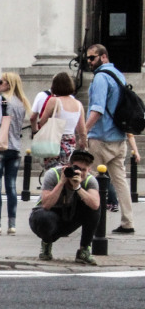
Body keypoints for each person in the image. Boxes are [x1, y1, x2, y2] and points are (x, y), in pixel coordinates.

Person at [84, 43, 134, 234]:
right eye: (87, 58)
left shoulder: (100, 78)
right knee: (120, 181)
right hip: (119, 137)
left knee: (89, 179)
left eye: (92, 58)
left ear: (103, 57)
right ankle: (128, 221)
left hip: (101, 138)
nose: (89, 62)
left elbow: (97, 108)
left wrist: (84, 132)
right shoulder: (119, 76)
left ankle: (90, 220)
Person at [29, 148, 100, 265]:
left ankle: (84, 250)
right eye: (77, 168)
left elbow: (95, 205)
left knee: (92, 207)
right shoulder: (53, 174)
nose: (80, 173)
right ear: (68, 166)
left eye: (84, 170)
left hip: (70, 217)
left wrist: (78, 187)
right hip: (46, 216)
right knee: (44, 217)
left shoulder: (89, 181)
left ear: (89, 170)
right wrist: (62, 182)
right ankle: (46, 243)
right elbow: (46, 205)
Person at [0, 72, 30, 235]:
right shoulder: (22, 103)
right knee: (11, 186)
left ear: (9, 84)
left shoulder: (1, 100)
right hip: (15, 148)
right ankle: (12, 224)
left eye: (1, 81)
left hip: (0, 147)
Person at [34, 71, 86, 172]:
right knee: (67, 171)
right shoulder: (78, 104)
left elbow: (42, 121)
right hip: (71, 141)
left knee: (53, 172)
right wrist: (83, 144)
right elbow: (82, 130)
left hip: (55, 141)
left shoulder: (54, 101)